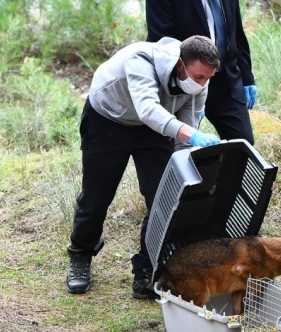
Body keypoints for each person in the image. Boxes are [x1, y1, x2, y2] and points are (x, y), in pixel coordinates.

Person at [65, 35, 221, 299]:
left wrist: (184, 163)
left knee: (164, 197)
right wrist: (190, 134)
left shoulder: (198, 84)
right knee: (97, 195)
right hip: (109, 119)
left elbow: (185, 131)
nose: (202, 84)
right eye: (198, 77)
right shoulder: (141, 60)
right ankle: (81, 255)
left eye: (207, 78)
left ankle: (147, 269)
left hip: (156, 130)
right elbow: (148, 108)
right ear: (180, 64)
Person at [145, 0, 256, 146]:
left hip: (226, 80)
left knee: (243, 148)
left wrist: (246, 77)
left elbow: (235, 29)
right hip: (187, 81)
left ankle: (229, 184)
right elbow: (160, 43)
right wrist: (182, 87)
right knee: (181, 150)